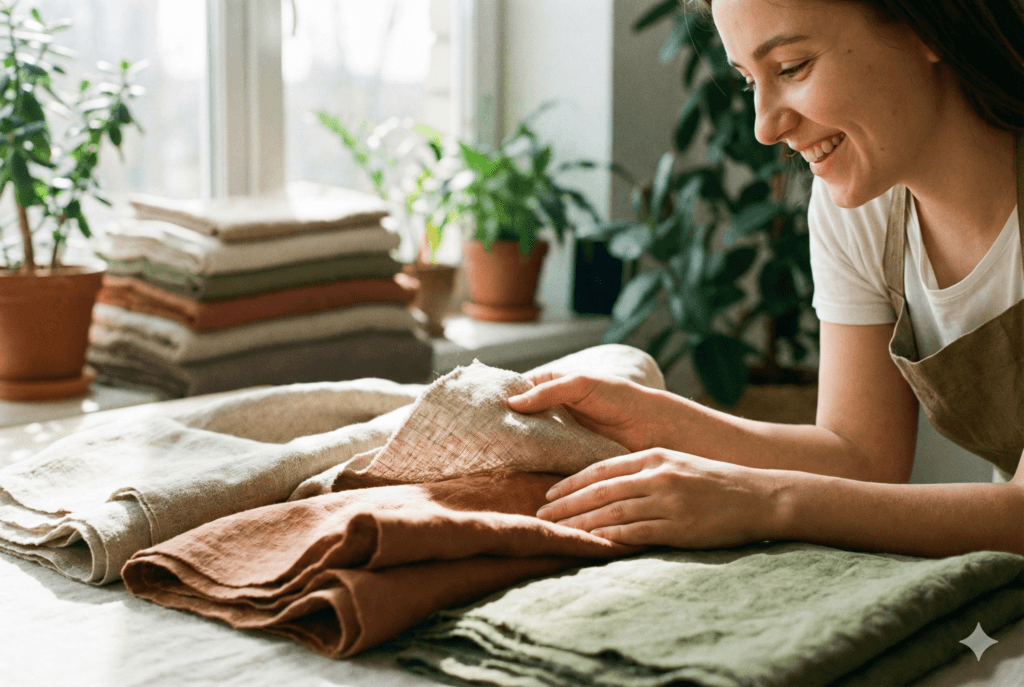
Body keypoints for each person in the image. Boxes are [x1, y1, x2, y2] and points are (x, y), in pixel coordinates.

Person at [507, 0, 1024, 557]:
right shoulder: (859, 209)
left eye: (792, 67)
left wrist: (764, 501)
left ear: (930, 24)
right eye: (749, 80)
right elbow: (859, 455)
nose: (765, 126)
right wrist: (656, 421)